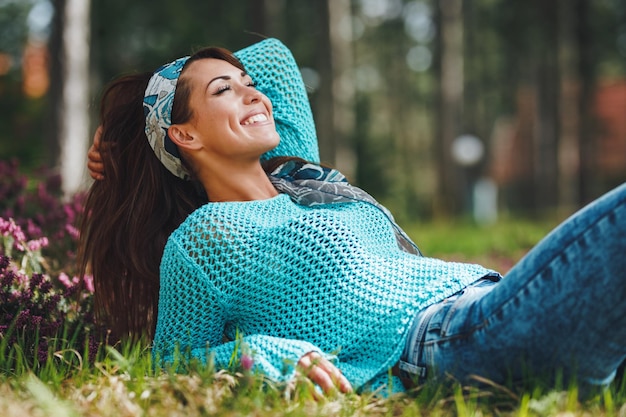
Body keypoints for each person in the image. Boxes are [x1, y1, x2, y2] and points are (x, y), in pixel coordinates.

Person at [81, 38, 626, 397]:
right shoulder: (205, 238)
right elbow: (170, 365)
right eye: (225, 90)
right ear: (186, 135)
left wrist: (137, 123)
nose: (253, 91)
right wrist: (135, 129)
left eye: (248, 84)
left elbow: (272, 58)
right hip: (448, 341)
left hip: (490, 298)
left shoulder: (302, 177)